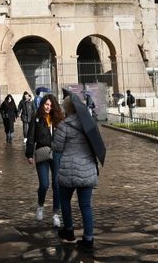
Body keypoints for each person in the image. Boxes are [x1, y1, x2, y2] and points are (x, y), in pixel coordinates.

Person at [54, 95, 99, 252]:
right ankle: (88, 238)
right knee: (86, 205)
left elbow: (57, 148)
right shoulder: (89, 124)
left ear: (66, 109)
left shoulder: (64, 126)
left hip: (69, 169)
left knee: (65, 201)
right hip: (87, 170)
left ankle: (69, 230)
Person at [25, 94, 63, 227]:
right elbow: (30, 137)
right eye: (46, 104)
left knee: (57, 185)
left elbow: (64, 137)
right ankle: (40, 206)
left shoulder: (58, 119)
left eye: (51, 105)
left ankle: (55, 214)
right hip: (42, 153)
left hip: (57, 154)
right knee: (44, 184)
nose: (48, 107)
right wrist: (29, 154)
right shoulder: (36, 118)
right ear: (42, 104)